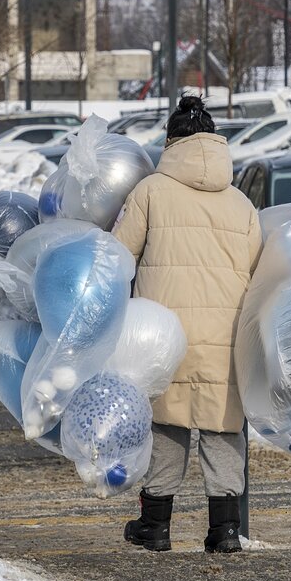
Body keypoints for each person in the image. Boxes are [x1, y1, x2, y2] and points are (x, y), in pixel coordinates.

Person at [111, 94, 262, 553]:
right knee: (221, 429)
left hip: (164, 335)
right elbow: (257, 271)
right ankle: (226, 531)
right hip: (224, 337)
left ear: (171, 141)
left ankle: (155, 526)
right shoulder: (241, 204)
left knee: (167, 426)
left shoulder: (151, 192)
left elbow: (118, 254)